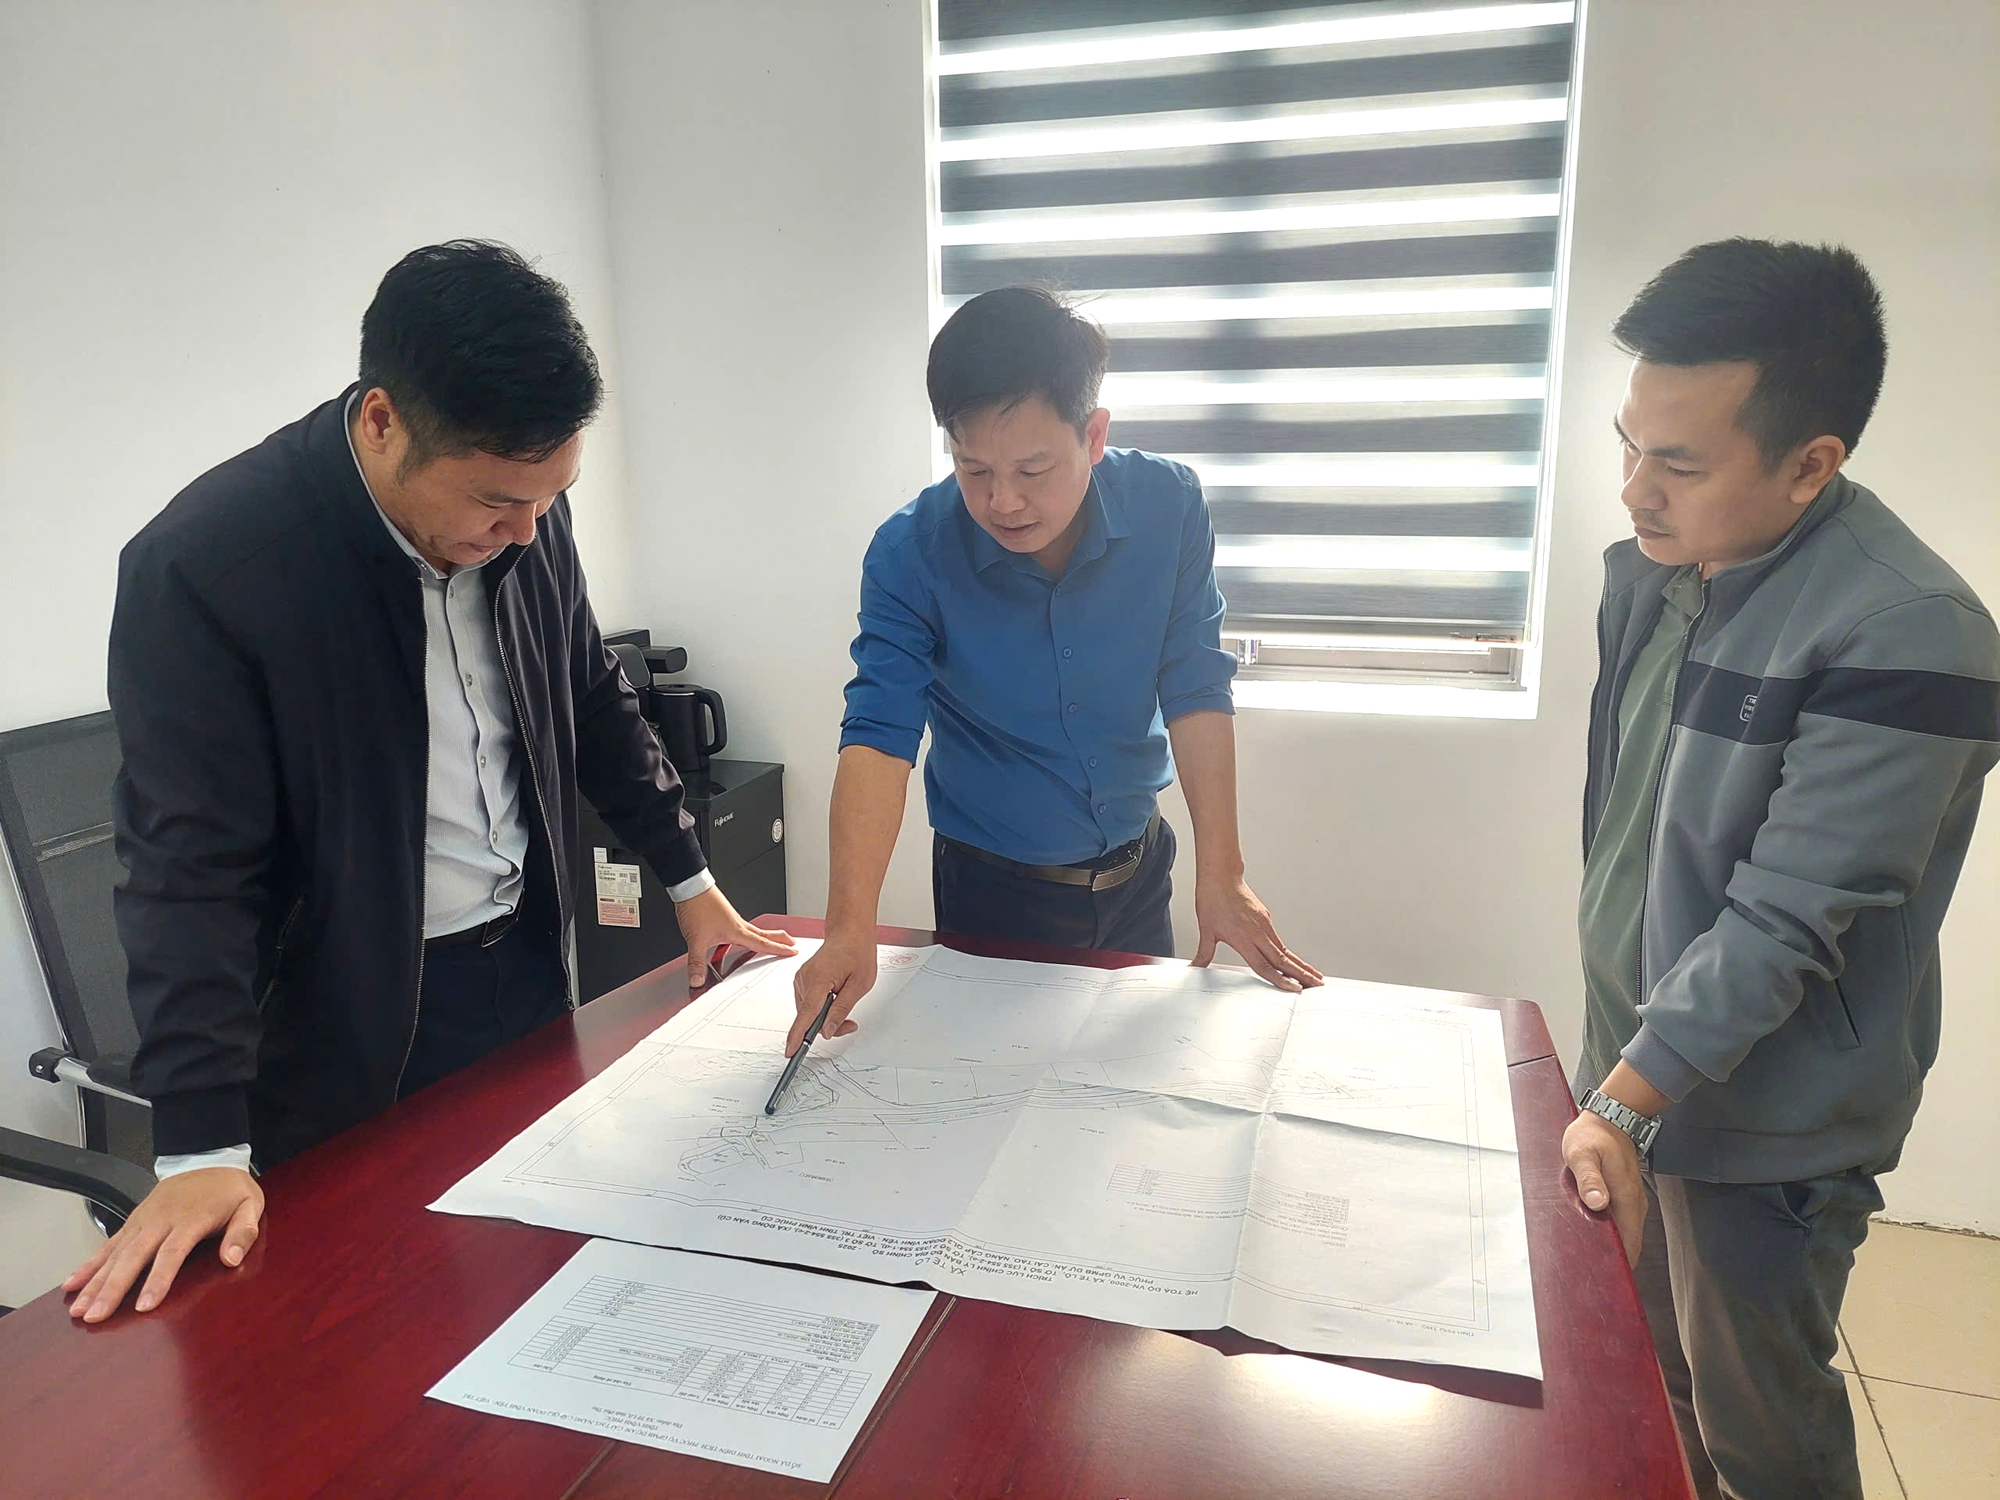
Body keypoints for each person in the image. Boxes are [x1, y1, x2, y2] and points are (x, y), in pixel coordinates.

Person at [66, 241, 794, 1323]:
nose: (526, 531)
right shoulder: (208, 570)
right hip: (340, 1026)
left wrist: (691, 881)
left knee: (537, 1295)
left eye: (552, 496)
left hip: (524, 973)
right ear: (381, 421)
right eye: (497, 502)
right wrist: (201, 1145)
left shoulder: (523, 511)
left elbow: (588, 690)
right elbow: (188, 871)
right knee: (369, 1327)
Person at [1562, 238, 1999, 1499]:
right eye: (1626, 445)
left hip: (1762, 1123)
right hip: (1636, 1074)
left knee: (1757, 1428)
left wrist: (1624, 1101)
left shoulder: (1909, 631)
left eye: (1678, 463)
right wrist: (1615, 1083)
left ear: (1811, 462)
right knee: (1655, 1380)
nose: (1635, 491)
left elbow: (1783, 917)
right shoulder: (1662, 576)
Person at [791, 286, 1319, 1053]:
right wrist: (849, 927)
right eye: (973, 469)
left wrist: (1223, 873)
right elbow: (879, 733)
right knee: (987, 1093)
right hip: (991, 895)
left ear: (1094, 434)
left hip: (1138, 874)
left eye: (1033, 468)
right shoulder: (911, 554)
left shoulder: (1168, 507)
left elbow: (1195, 685)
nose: (1002, 500)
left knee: (1128, 1089)